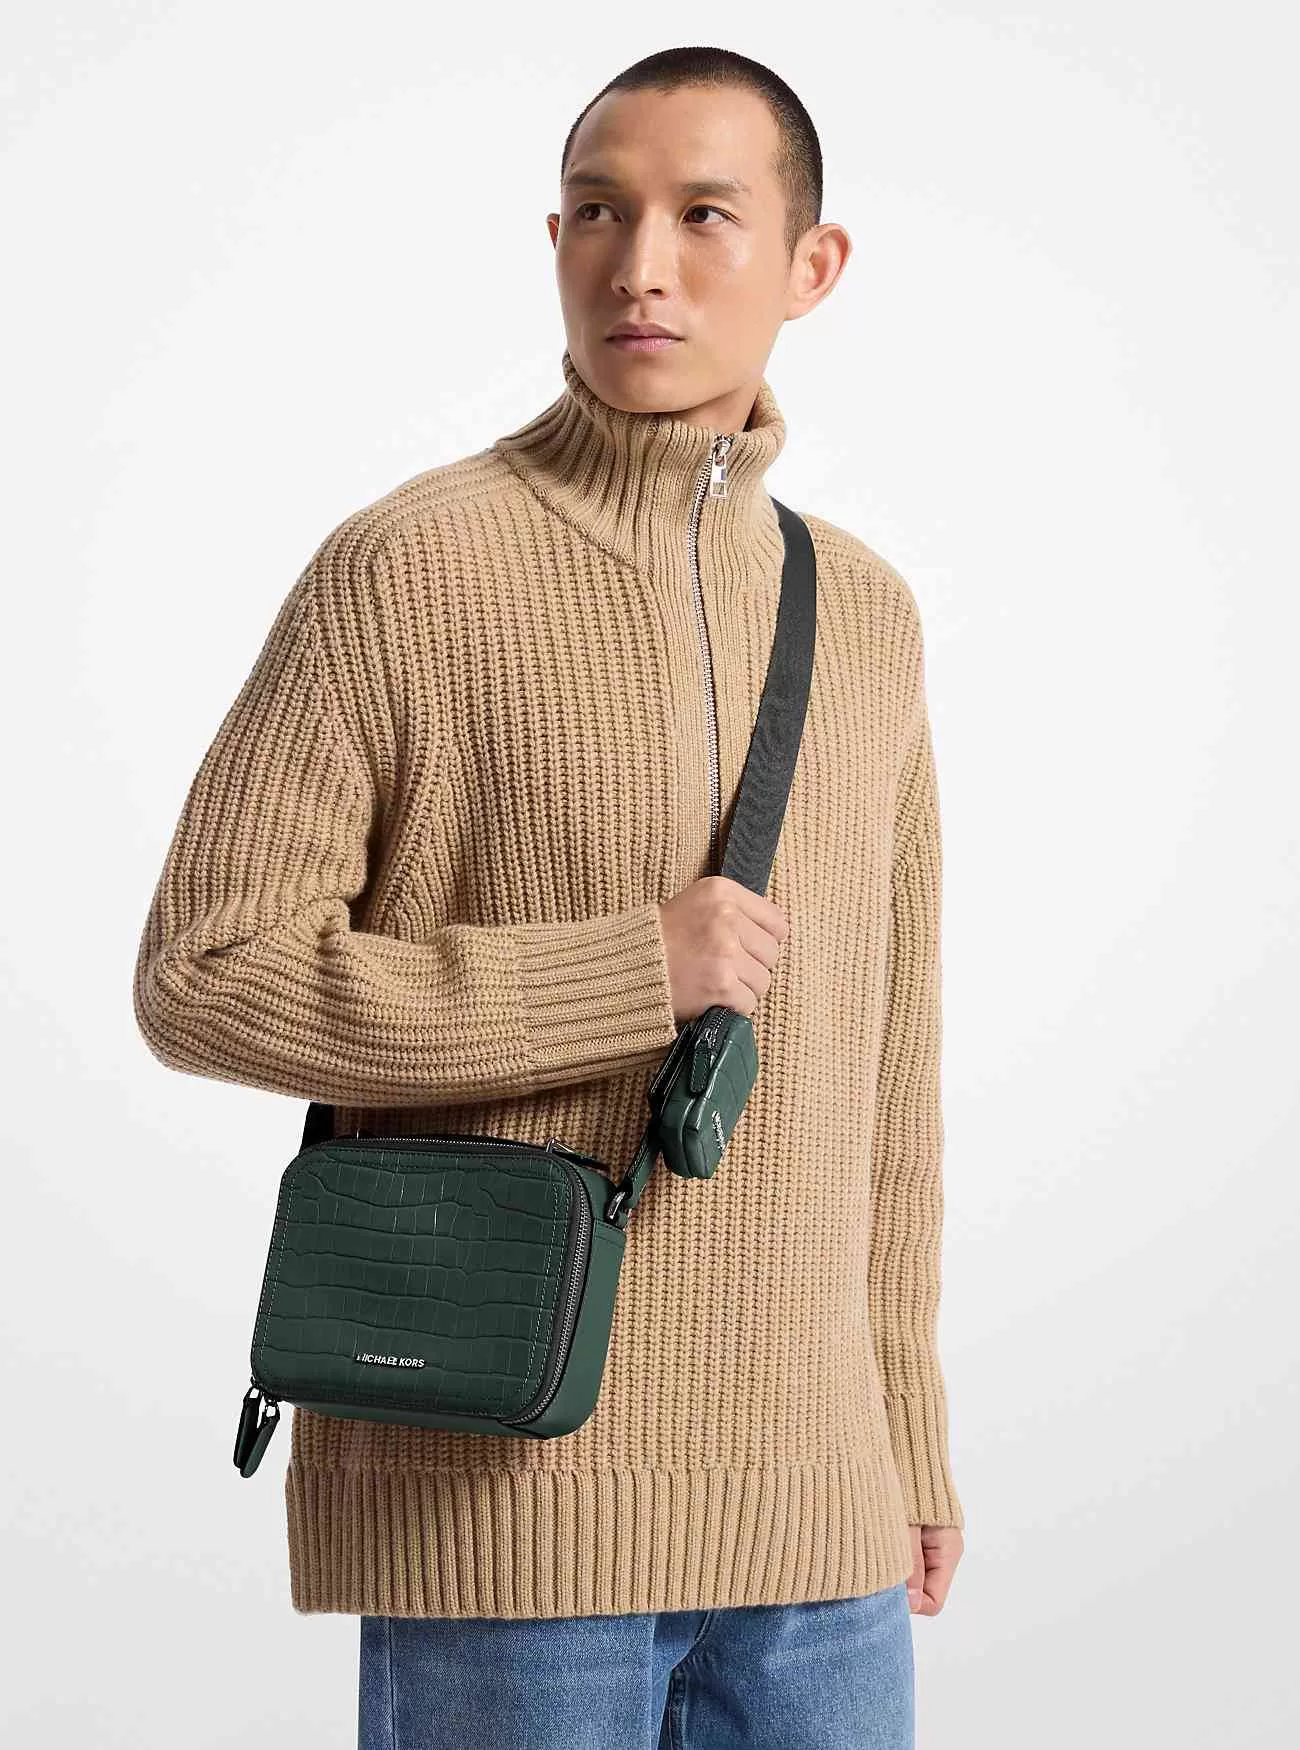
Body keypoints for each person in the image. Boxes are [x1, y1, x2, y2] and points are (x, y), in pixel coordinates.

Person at [133, 43, 965, 1750]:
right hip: (500, 1508)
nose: (639, 265)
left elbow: (892, 1070)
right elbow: (204, 972)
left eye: (704, 216)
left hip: (820, 1527)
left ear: (812, 264)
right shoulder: (410, 569)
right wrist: (623, 973)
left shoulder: (866, 613)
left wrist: (909, 1429)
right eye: (598, 212)